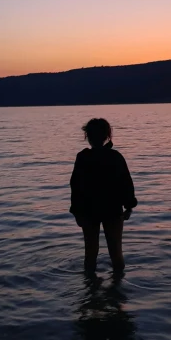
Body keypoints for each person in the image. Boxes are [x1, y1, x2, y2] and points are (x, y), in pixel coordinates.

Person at [70, 118, 137, 275]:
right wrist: (128, 206)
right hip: (112, 210)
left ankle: (90, 290)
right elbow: (126, 183)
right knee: (116, 253)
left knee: (90, 253)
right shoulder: (115, 157)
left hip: (88, 212)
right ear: (107, 135)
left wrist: (77, 212)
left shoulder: (83, 158)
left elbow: (75, 187)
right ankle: (117, 291)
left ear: (87, 136)